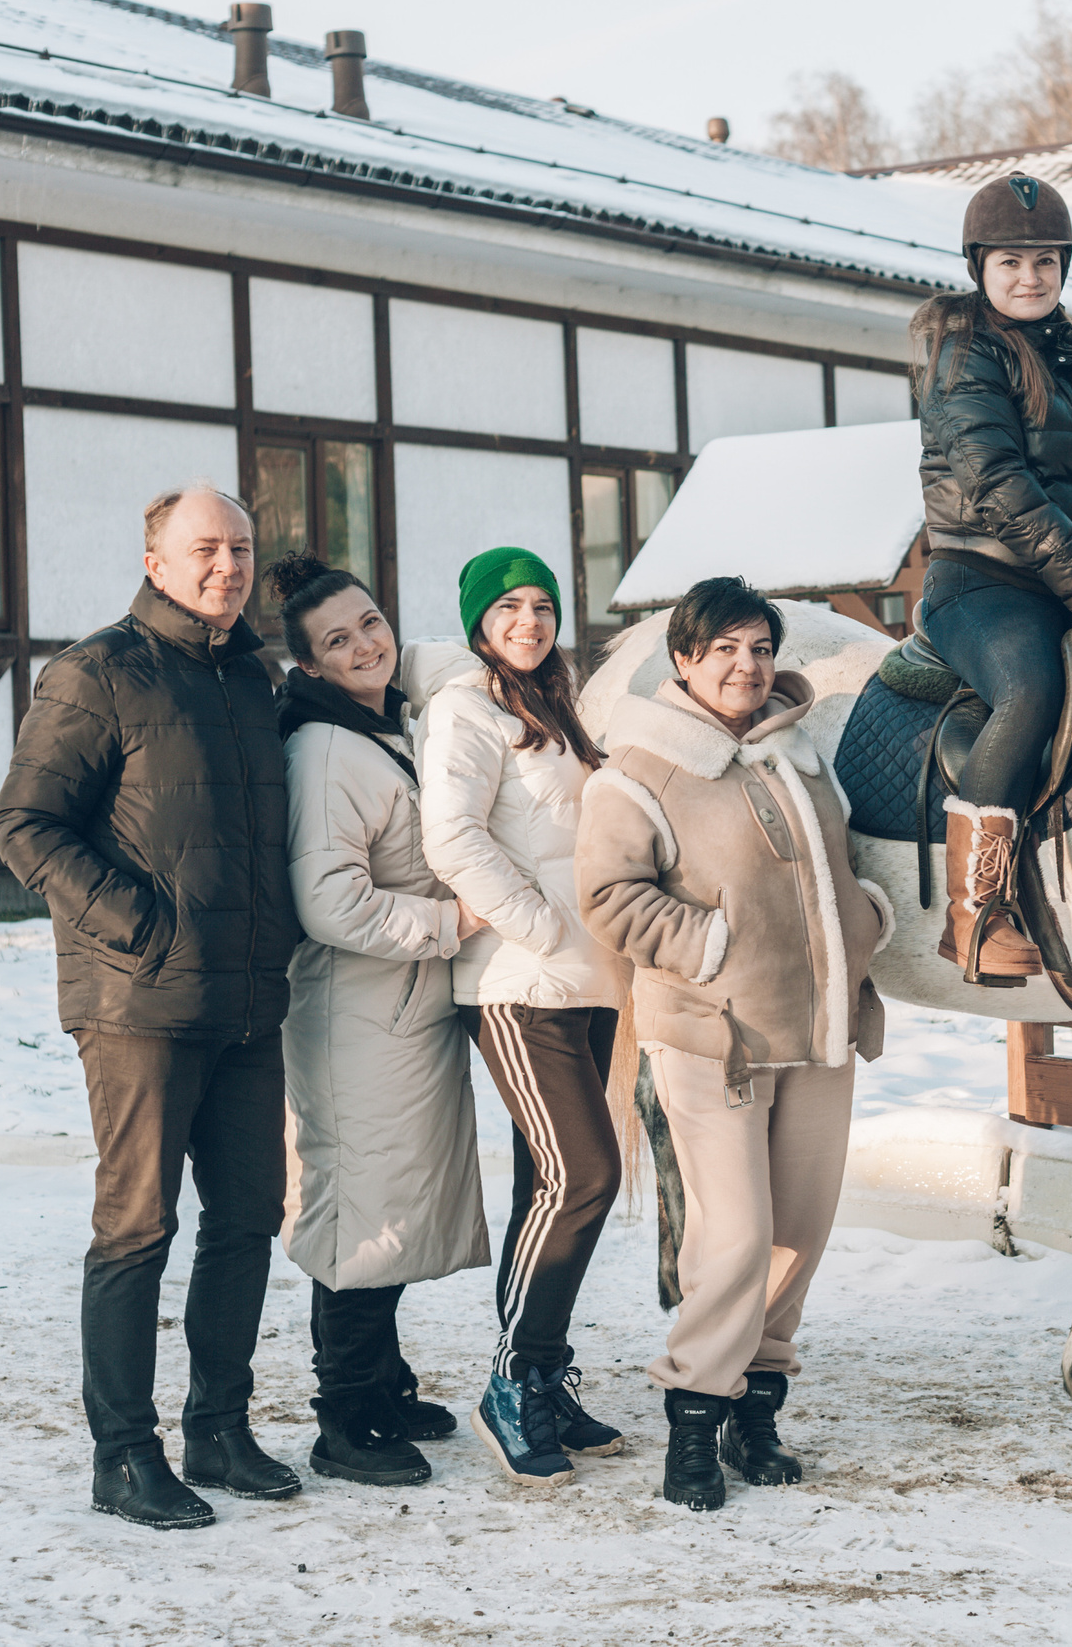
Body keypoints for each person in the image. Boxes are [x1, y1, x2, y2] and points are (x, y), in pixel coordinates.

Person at [0, 484, 305, 1530]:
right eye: (205, 547)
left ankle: (219, 1429)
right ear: (156, 561)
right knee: (137, 1225)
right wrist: (140, 924)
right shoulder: (98, 672)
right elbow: (26, 823)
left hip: (249, 1000)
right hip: (138, 1001)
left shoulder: (253, 677)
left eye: (241, 548)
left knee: (249, 1218)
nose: (228, 565)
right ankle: (124, 1455)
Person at [577, 575, 893, 1512]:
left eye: (759, 648)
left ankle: (756, 1411)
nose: (746, 666)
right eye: (724, 649)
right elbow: (608, 896)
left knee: (798, 1232)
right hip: (713, 1039)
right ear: (684, 658)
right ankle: (692, 1414)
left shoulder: (798, 755)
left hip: (819, 1034)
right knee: (738, 1234)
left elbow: (842, 865)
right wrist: (711, 945)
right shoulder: (640, 770)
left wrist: (866, 918)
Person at [270, 552, 493, 1489]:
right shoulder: (324, 751)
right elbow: (330, 901)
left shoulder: (378, 724)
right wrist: (450, 923)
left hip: (398, 1009)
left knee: (394, 1201)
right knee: (360, 1211)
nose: (365, 644)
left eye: (370, 622)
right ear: (309, 665)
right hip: (357, 1013)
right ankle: (346, 1416)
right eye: (338, 639)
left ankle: (385, 1385)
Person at [912, 170, 1072, 983]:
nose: (1030, 277)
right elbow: (999, 487)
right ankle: (977, 913)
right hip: (983, 581)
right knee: (1031, 688)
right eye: (1011, 263)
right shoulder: (962, 357)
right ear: (979, 268)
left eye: (1045, 262)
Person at [418, 546, 630, 1489]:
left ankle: (541, 1374)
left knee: (546, 1185)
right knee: (586, 1174)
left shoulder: (561, 707)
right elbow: (452, 836)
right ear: (479, 623)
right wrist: (540, 925)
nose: (530, 621)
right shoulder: (465, 709)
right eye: (509, 607)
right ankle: (512, 1380)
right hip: (518, 980)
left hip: (589, 979)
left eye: (543, 605)